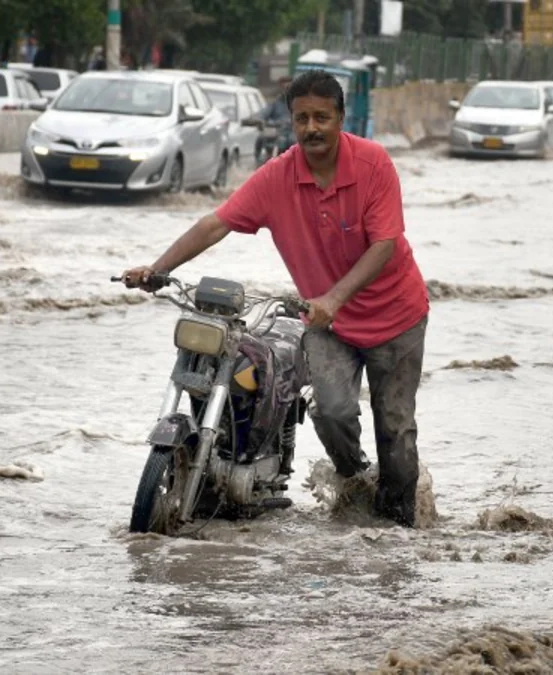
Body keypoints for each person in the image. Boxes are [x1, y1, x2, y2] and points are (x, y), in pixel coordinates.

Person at [120, 70, 429, 528]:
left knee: (396, 431)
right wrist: (158, 269)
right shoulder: (278, 176)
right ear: (291, 121)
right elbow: (216, 223)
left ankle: (399, 534)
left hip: (396, 318)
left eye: (322, 117)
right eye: (302, 118)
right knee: (332, 413)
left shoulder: (373, 164)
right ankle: (358, 487)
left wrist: (334, 297)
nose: (311, 128)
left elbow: (384, 244)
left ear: (341, 118)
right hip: (328, 324)